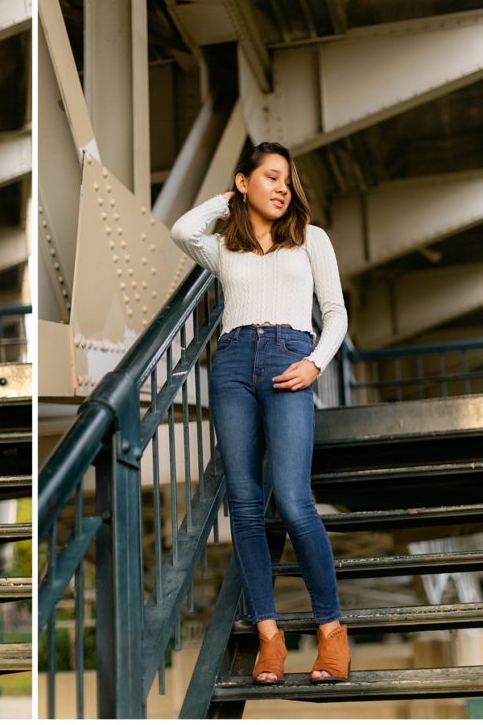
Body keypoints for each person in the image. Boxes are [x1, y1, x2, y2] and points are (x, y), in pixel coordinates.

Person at [170, 141, 350, 684]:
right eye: (270, 177)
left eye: (288, 181)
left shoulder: (311, 240)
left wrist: (315, 363)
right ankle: (269, 639)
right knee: (244, 505)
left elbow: (336, 312)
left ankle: (331, 633)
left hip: (291, 358)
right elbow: (181, 231)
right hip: (231, 366)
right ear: (244, 182)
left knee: (294, 502)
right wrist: (229, 199)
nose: (282, 188)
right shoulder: (224, 248)